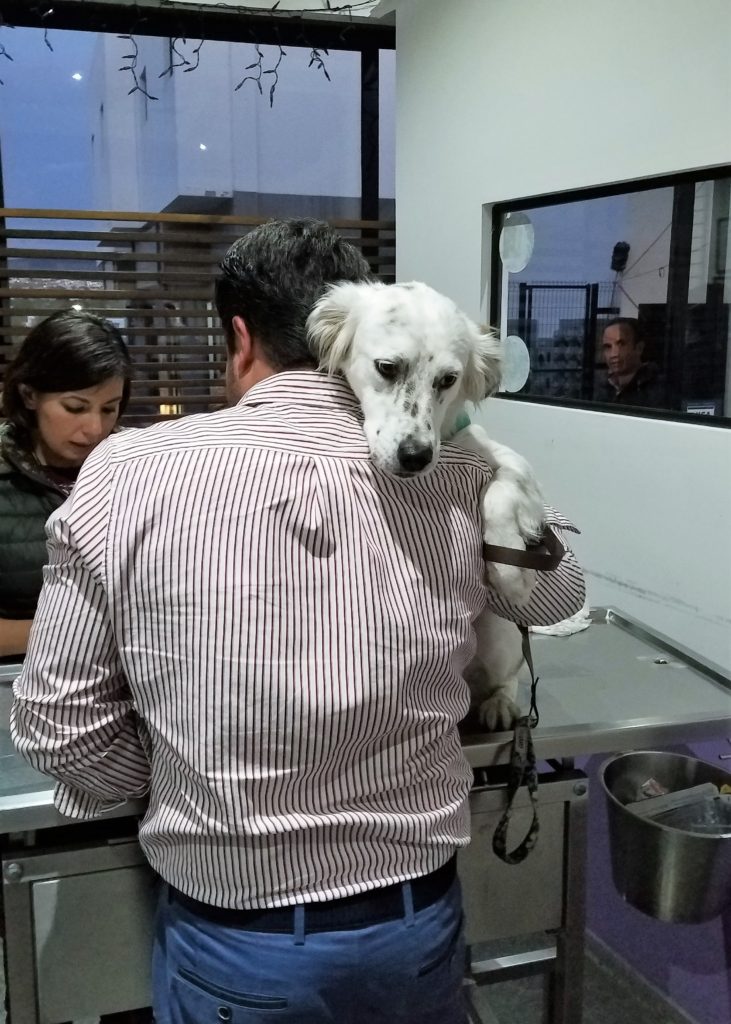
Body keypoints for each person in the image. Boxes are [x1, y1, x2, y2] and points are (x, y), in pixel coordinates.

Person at [11, 219, 585, 1024]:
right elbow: (560, 602)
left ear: (238, 338)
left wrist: (184, 781)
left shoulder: (131, 469)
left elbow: (60, 724)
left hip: (236, 932)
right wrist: (503, 481)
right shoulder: (460, 471)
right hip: (415, 920)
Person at [0, 309, 131, 658]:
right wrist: (79, 632)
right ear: (30, 396)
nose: (94, 429)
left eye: (109, 409)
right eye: (75, 408)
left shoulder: (137, 466)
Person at [598, 317, 665, 407]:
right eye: (607, 347)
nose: (613, 354)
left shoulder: (659, 389)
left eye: (621, 344)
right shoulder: (601, 387)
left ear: (639, 348)